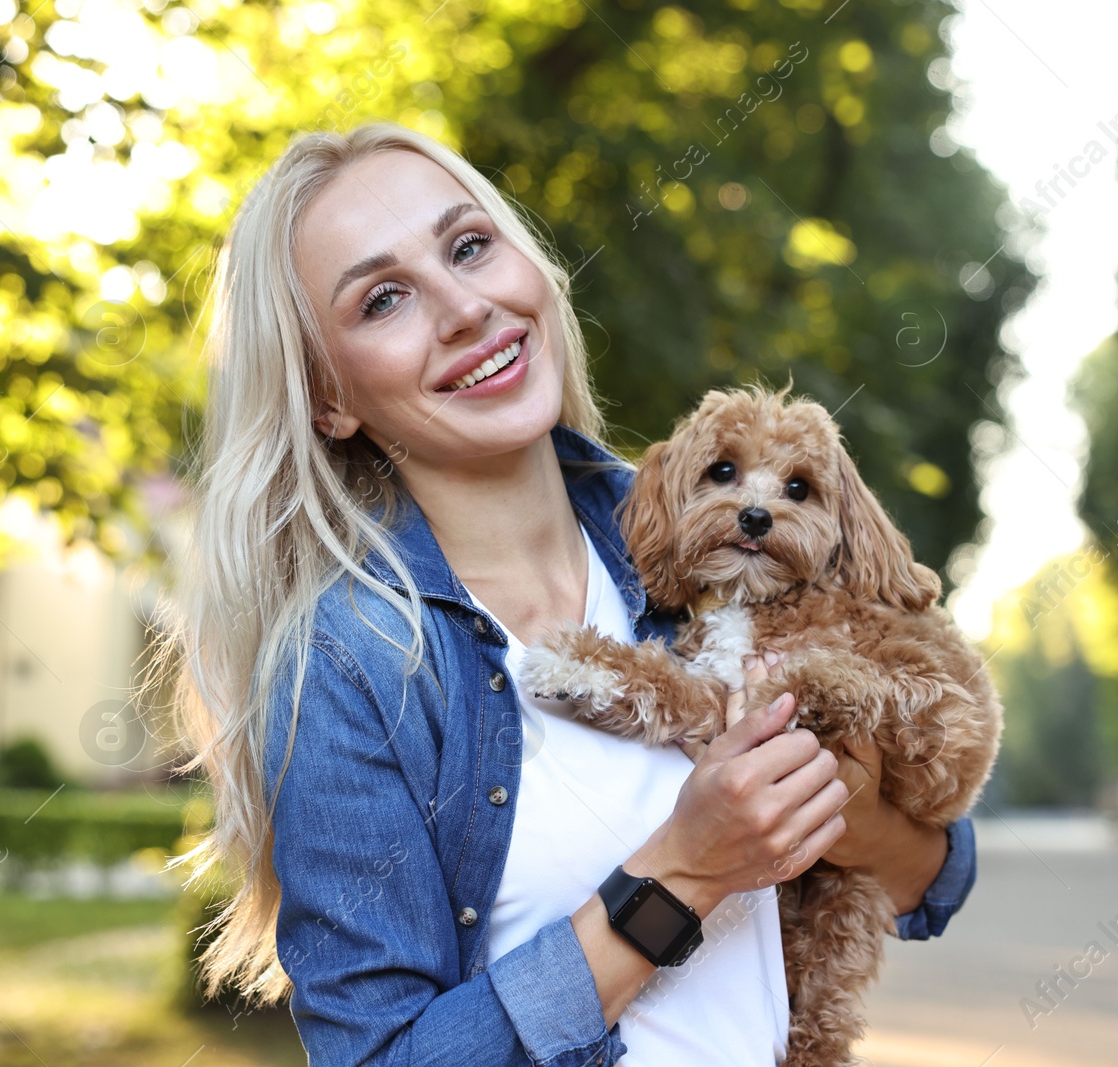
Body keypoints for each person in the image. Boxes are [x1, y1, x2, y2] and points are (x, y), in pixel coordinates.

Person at [170, 121, 978, 1066]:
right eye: (384, 299)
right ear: (328, 399)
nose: (466, 307)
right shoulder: (349, 666)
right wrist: (682, 872)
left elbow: (935, 872)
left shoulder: (701, 538)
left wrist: (852, 809)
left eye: (470, 246)